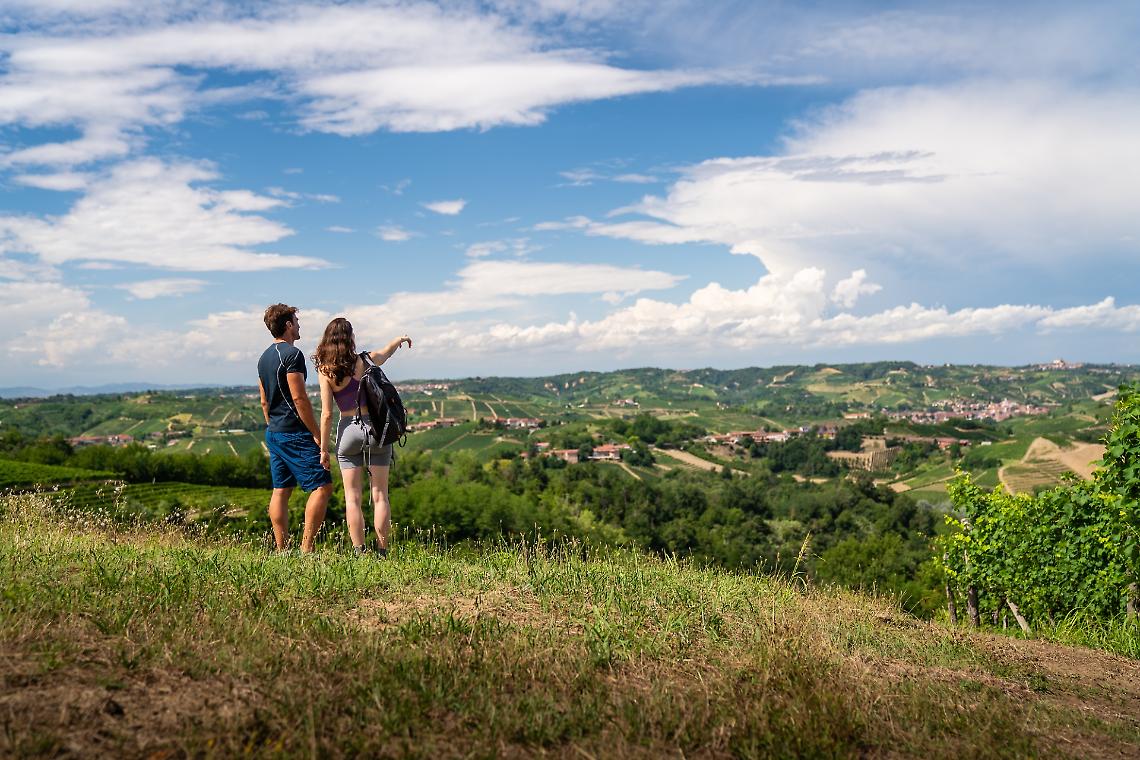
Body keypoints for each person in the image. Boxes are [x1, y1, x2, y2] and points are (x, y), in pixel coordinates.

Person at [313, 317, 412, 556]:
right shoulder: (366, 361)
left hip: (347, 431)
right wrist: (400, 339)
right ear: (350, 338)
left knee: (352, 498)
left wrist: (324, 449)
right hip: (376, 430)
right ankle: (382, 550)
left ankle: (359, 552)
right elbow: (386, 353)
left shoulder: (325, 370)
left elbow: (326, 414)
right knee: (380, 496)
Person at [257, 304, 333, 553]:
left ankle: (282, 549)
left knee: (281, 490)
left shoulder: (263, 358)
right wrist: (316, 434)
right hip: (294, 432)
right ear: (288, 325)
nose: (299, 325)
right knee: (322, 486)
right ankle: (306, 549)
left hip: (274, 432)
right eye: (296, 321)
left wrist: (272, 426)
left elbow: (264, 401)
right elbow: (299, 399)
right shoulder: (292, 354)